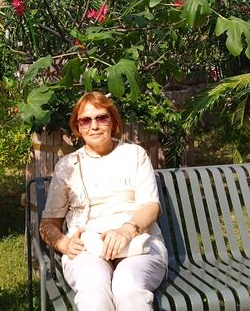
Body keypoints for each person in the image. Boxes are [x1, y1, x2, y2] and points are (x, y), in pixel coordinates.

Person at [39, 91, 167, 311]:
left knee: (129, 288)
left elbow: (151, 206)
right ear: (78, 127)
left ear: (113, 122)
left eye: (101, 118)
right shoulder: (67, 166)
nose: (94, 126)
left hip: (138, 242)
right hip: (88, 249)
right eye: (85, 120)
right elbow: (48, 224)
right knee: (93, 291)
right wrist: (64, 244)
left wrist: (126, 231)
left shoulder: (134, 155)